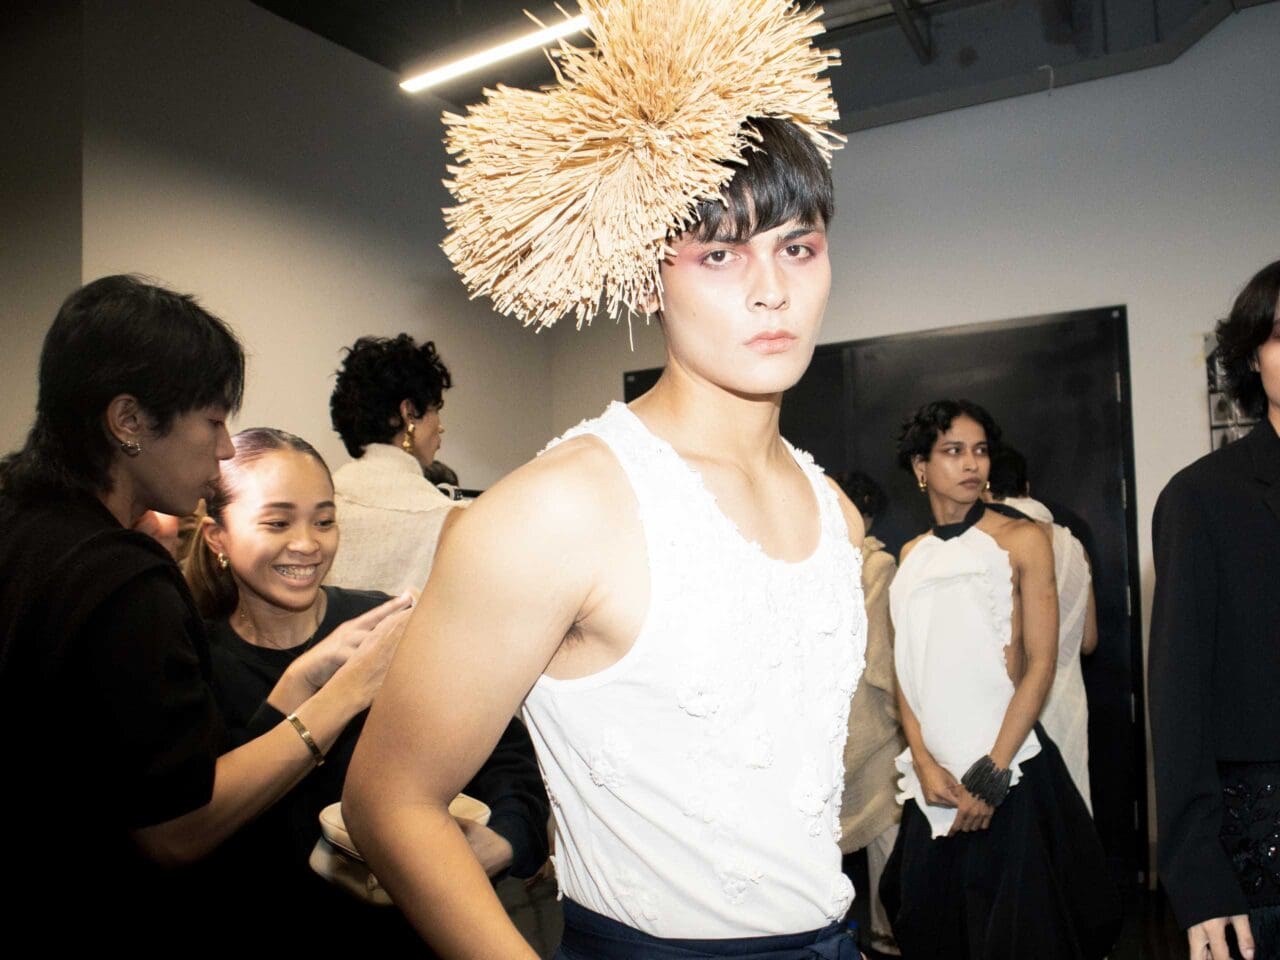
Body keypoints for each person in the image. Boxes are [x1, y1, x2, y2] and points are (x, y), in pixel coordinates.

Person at [344, 3, 868, 957]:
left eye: (797, 246)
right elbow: (389, 800)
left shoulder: (835, 512)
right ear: (648, 276)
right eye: (720, 253)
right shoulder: (559, 511)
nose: (772, 289)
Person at [0, 275, 409, 949]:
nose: (223, 451)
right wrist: (348, 693)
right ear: (129, 421)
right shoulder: (124, 582)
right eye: (214, 422)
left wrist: (299, 679)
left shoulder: (24, 522)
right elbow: (176, 829)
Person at [184, 427, 549, 949]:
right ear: (217, 536)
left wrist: (506, 839)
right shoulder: (195, 662)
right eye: (278, 522)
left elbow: (506, 754)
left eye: (324, 520)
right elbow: (205, 828)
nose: (307, 544)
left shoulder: (383, 624)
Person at [879, 399, 1120, 959]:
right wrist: (923, 762)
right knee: (932, 928)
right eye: (953, 451)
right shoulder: (911, 555)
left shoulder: (1024, 538)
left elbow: (1041, 664)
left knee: (1018, 935)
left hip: (1010, 769)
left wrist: (992, 774)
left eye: (980, 450)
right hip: (937, 784)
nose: (972, 463)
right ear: (920, 466)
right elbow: (905, 672)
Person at [1149, 258, 1280, 960]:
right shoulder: (1202, 499)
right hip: (1266, 849)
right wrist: (1198, 876)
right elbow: (1180, 700)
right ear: (1253, 357)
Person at [986, 445, 1098, 811]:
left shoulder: (994, 542)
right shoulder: (1073, 544)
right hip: (1069, 700)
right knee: (1071, 815)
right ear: (1027, 487)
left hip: (1012, 704)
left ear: (984, 491)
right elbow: (1089, 641)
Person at [326, 333, 462, 594]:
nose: (440, 426)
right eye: (435, 410)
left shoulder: (322, 500)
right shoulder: (450, 518)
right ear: (408, 412)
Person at [833, 471, 904, 957]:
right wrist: (903, 713)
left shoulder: (807, 559)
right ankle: (885, 936)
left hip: (822, 719)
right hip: (869, 715)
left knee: (820, 840)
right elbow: (880, 653)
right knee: (885, 831)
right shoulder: (878, 564)